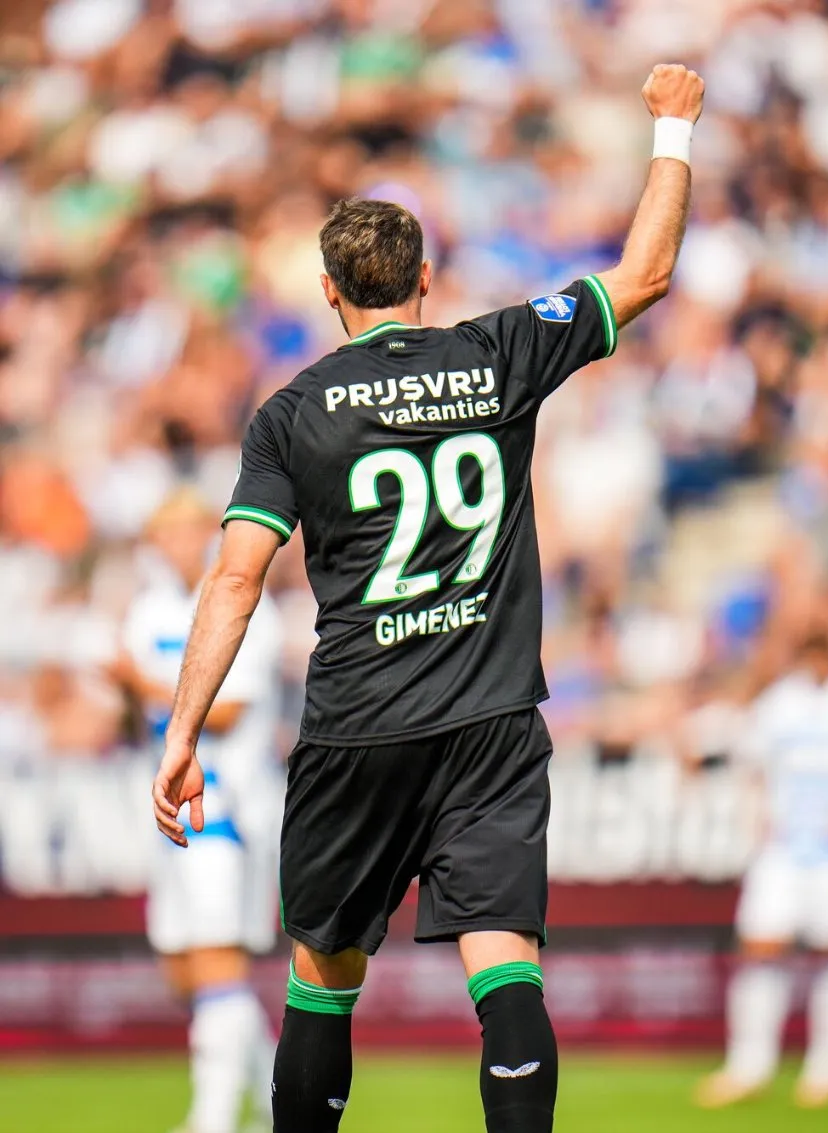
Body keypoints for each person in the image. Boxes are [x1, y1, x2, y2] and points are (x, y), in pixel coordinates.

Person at [152, 64, 704, 1133]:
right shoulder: (497, 352)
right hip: (490, 717)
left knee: (323, 970)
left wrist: (182, 729)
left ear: (329, 291)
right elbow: (645, 273)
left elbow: (233, 576)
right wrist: (672, 130)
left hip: (359, 725)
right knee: (505, 966)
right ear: (427, 277)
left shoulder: (293, 412)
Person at [120, 488, 283, 1133]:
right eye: (170, 532)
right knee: (187, 967)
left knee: (218, 958)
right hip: (164, 803)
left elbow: (231, 708)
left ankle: (211, 1118)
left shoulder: (243, 603)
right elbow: (134, 720)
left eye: (193, 530)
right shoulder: (146, 610)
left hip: (225, 803)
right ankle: (277, 1101)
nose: (182, 543)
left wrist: (138, 683)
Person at [697, 623, 828, 1110]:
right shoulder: (779, 702)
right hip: (783, 846)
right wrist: (756, 819)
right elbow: (752, 765)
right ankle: (749, 1064)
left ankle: (826, 1068)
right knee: (761, 947)